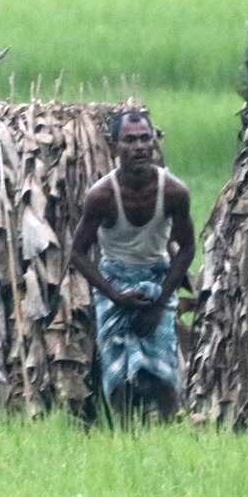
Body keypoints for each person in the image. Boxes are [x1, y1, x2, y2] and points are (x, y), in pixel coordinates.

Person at [70, 110, 195, 419]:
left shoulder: (174, 192)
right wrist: (114, 296)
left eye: (144, 139)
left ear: (153, 143)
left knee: (163, 376)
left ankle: (169, 437)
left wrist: (160, 303)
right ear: (114, 147)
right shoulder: (101, 196)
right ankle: (124, 441)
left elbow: (187, 248)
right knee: (119, 379)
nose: (139, 146)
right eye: (129, 140)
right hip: (114, 282)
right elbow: (77, 253)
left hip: (157, 280)